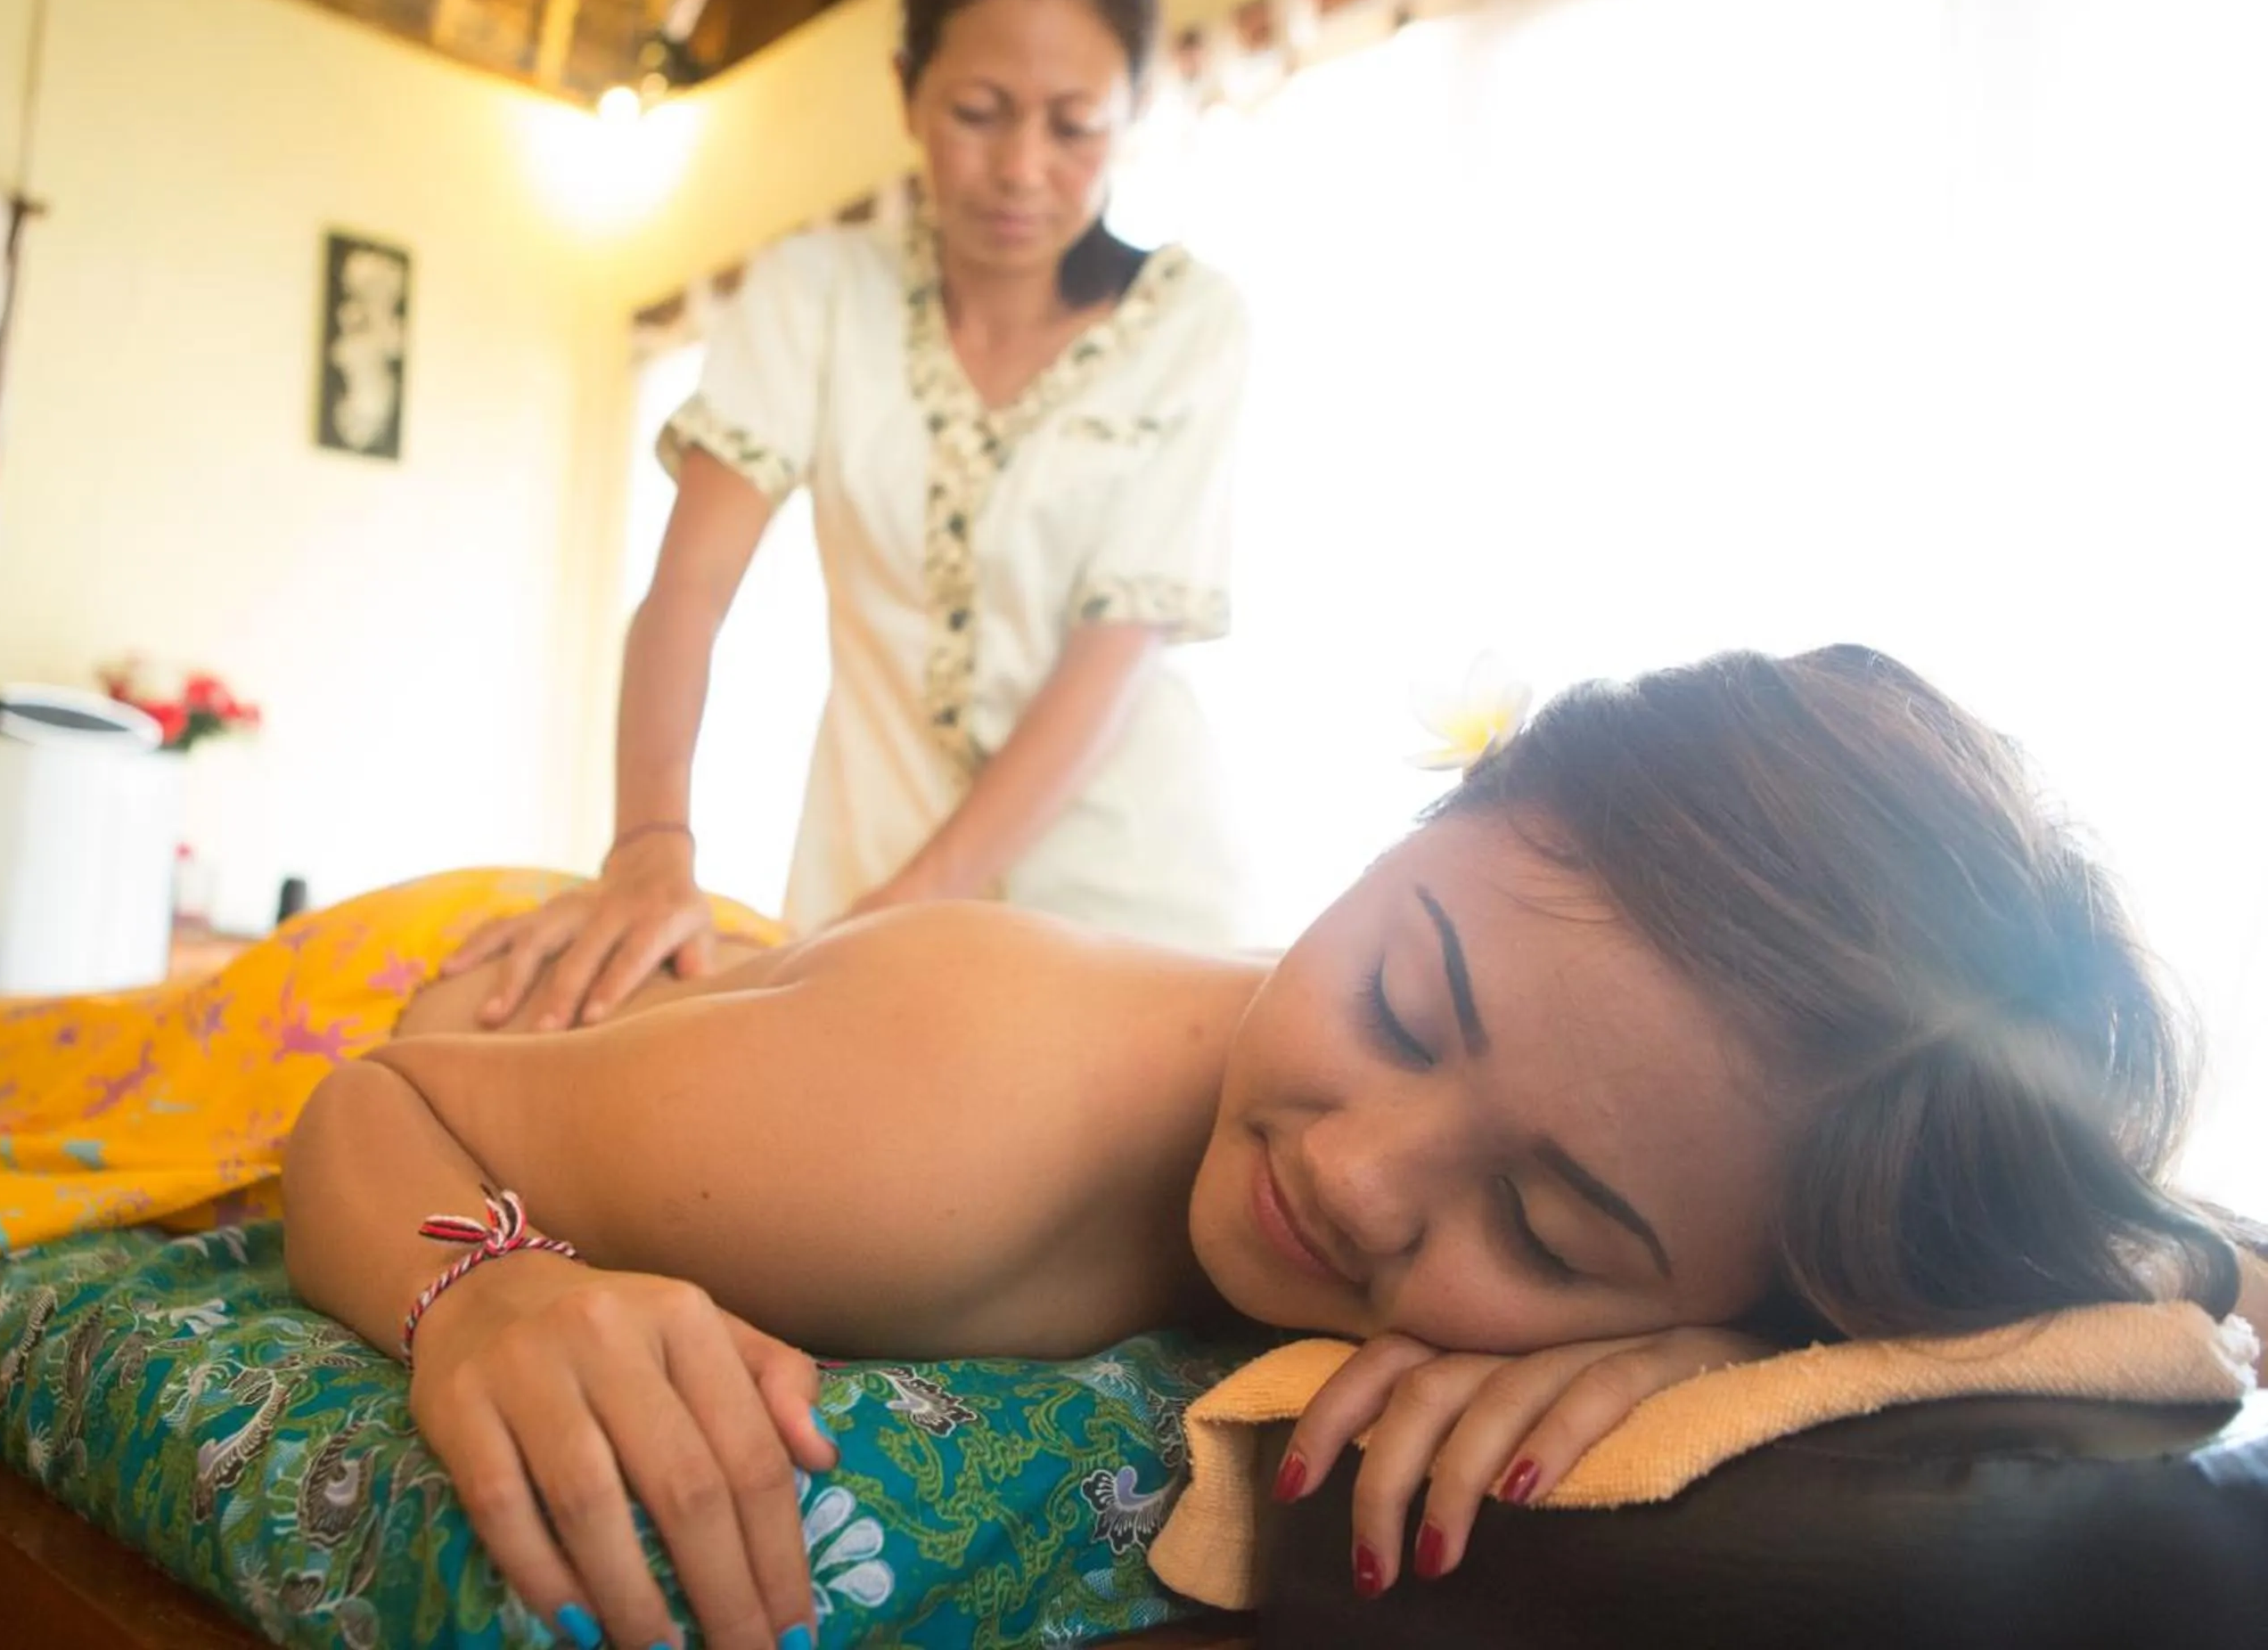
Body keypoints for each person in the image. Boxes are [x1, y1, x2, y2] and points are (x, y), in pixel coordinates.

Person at [285, 646, 2268, 1650]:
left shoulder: (1719, 1213)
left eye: (1554, 1229)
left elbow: (2192, 1272)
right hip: (508, 976)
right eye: (1405, 1001)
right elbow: (381, 1091)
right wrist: (490, 1283)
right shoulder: (932, 1137)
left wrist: (1734, 1359)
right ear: (1421, 822)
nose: (1364, 1174)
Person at [449, 0, 1253, 1032]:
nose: (1022, 166)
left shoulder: (1193, 324)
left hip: (1128, 897)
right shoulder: (816, 294)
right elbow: (688, 590)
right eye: (979, 110)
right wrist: (648, 845)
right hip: (861, 868)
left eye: (1074, 125)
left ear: (1132, 108)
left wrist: (909, 908)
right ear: (907, 90)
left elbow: (1111, 658)